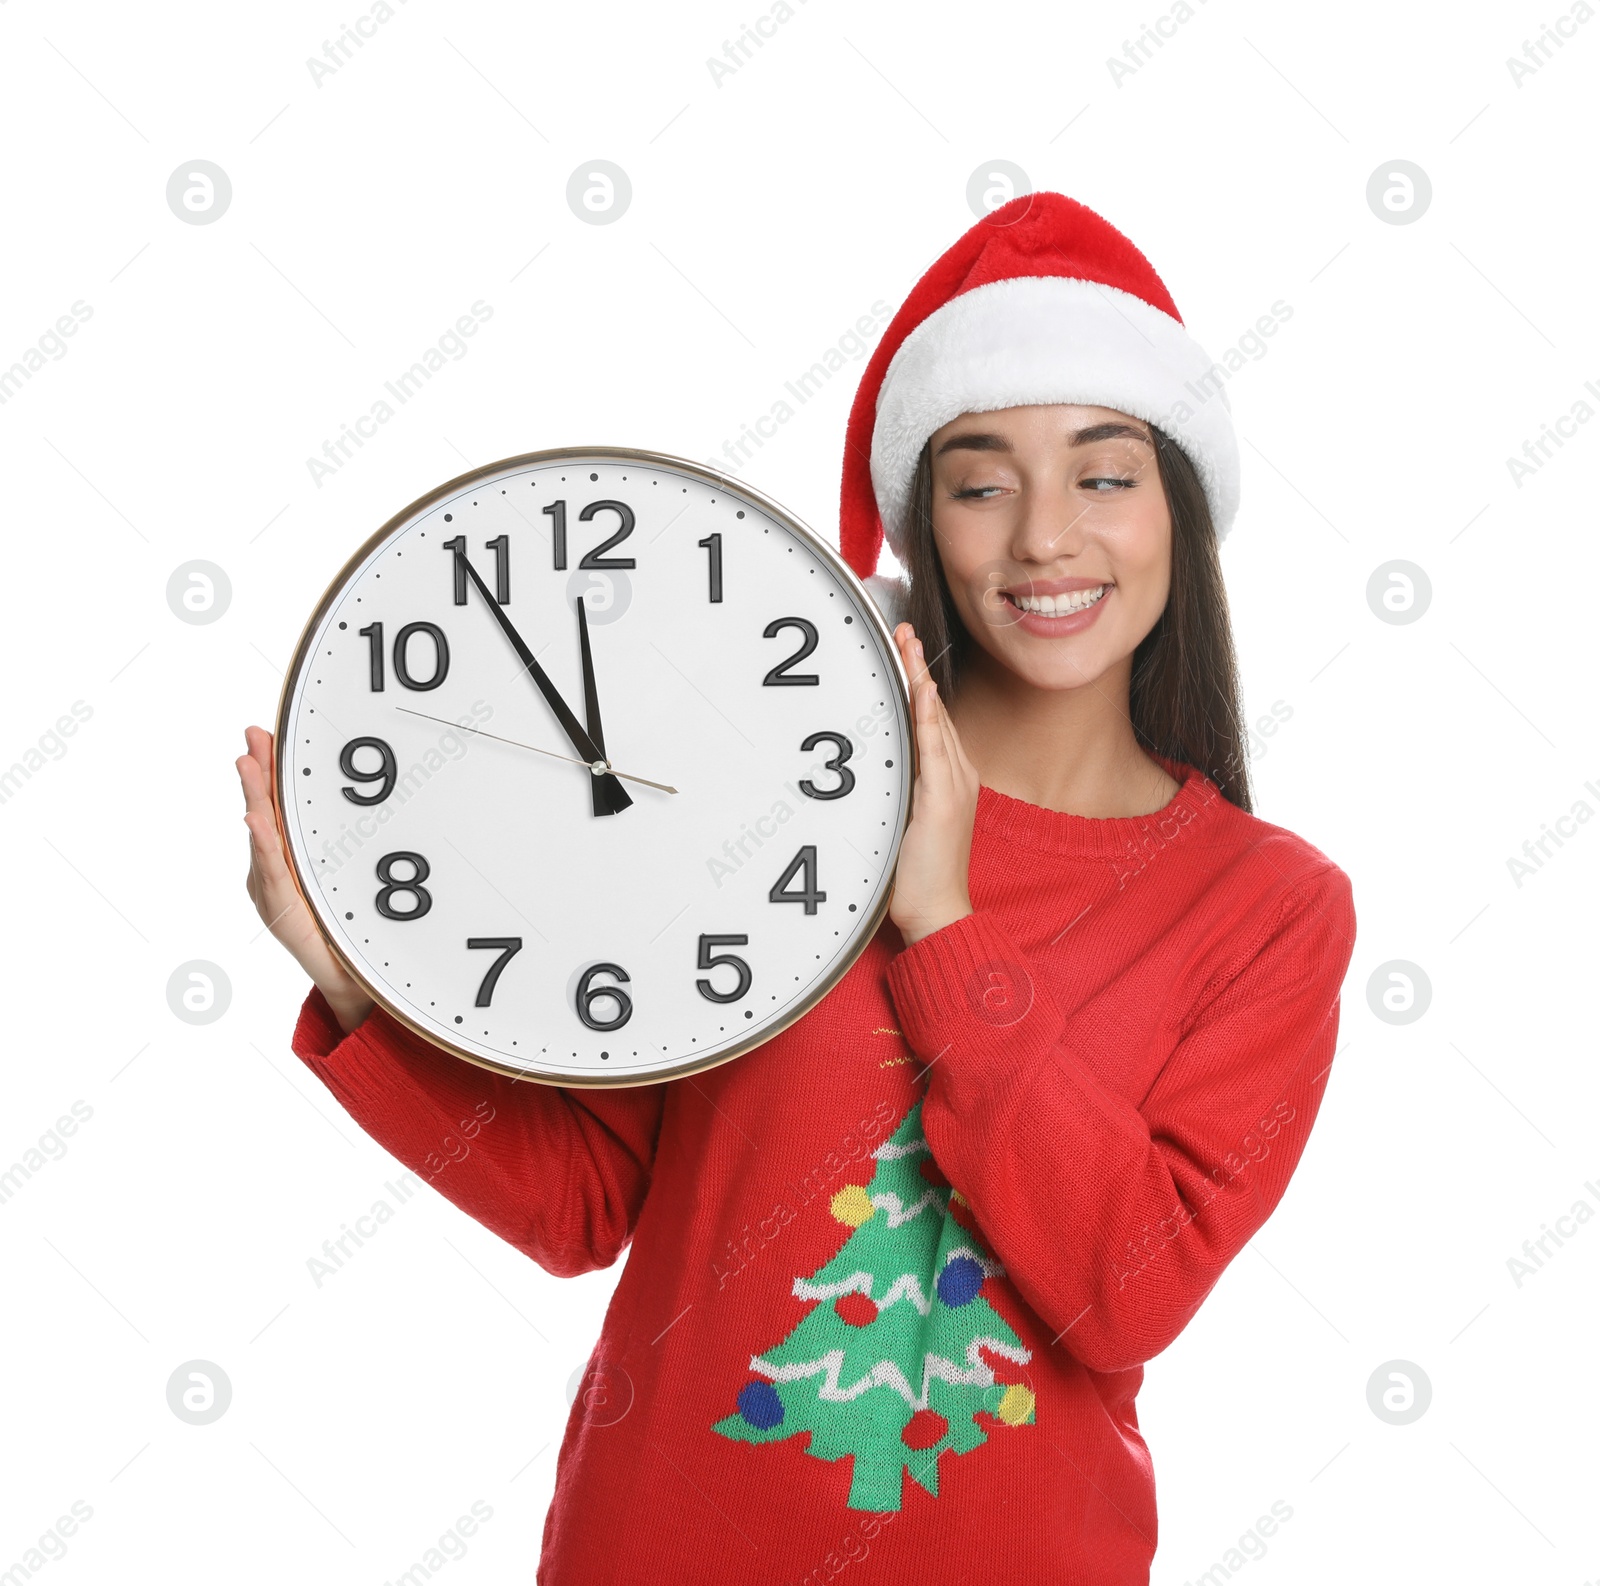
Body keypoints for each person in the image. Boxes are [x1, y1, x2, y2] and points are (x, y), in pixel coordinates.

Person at [236, 191, 1356, 1585]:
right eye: (981, 478)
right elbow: (588, 1198)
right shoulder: (761, 785)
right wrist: (357, 983)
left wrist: (940, 924)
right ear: (923, 522)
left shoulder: (1267, 907)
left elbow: (1125, 1288)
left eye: (1106, 472)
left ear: (1179, 507)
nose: (1045, 537)